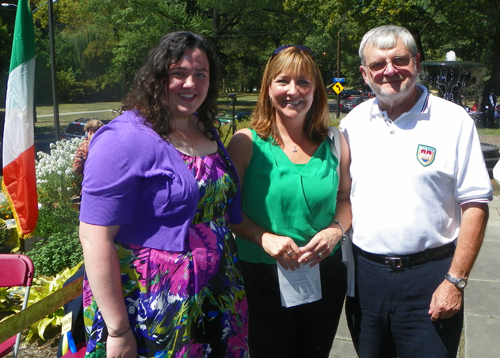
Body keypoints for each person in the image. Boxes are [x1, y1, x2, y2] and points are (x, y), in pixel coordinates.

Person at [79, 31, 248, 358]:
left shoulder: (203, 129)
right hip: (152, 307)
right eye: (179, 73)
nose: (191, 83)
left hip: (216, 293)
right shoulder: (123, 139)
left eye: (201, 74)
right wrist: (118, 329)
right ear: (158, 77)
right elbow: (94, 236)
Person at [340, 25, 492, 358]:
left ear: (417, 62)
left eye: (399, 59)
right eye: (378, 65)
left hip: (431, 277)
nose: (389, 71)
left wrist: (456, 281)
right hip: (366, 279)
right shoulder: (352, 123)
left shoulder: (453, 121)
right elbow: (342, 196)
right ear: (364, 73)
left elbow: (476, 204)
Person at [227, 45, 352, 358]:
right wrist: (263, 237)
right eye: (283, 81)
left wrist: (336, 229)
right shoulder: (245, 142)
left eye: (304, 83)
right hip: (261, 274)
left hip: (323, 272)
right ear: (268, 88)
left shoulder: (335, 142)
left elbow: (346, 198)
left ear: (316, 91)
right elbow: (227, 211)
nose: (293, 91)